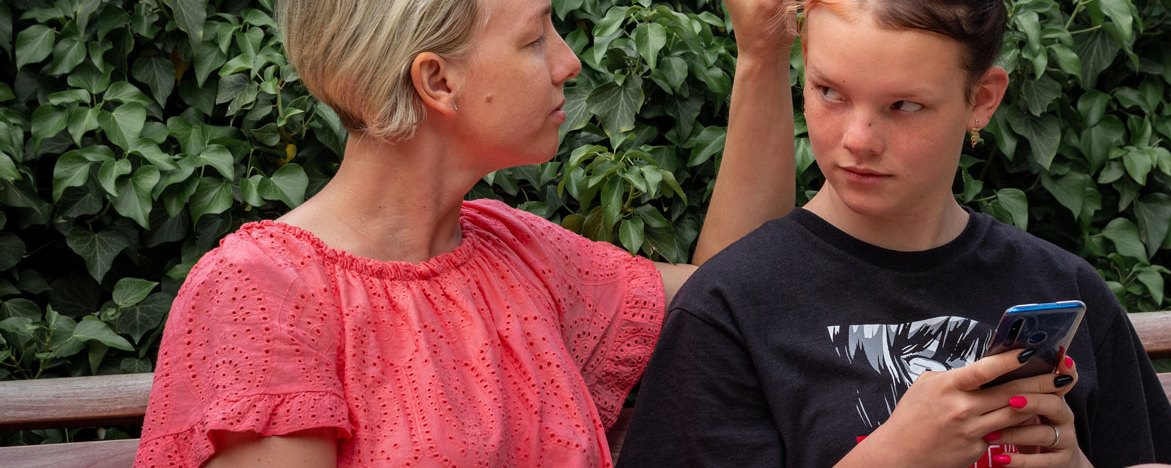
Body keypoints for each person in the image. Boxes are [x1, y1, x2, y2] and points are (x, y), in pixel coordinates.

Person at [133, 0, 794, 466]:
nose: (568, 63)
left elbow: (734, 289)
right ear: (437, 80)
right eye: (535, 39)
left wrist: (762, 52)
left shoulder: (515, 251)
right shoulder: (265, 293)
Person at [617, 0, 1171, 466]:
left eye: (903, 105)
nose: (859, 138)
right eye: (829, 93)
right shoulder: (730, 307)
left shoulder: (1059, 284)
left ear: (983, 100)